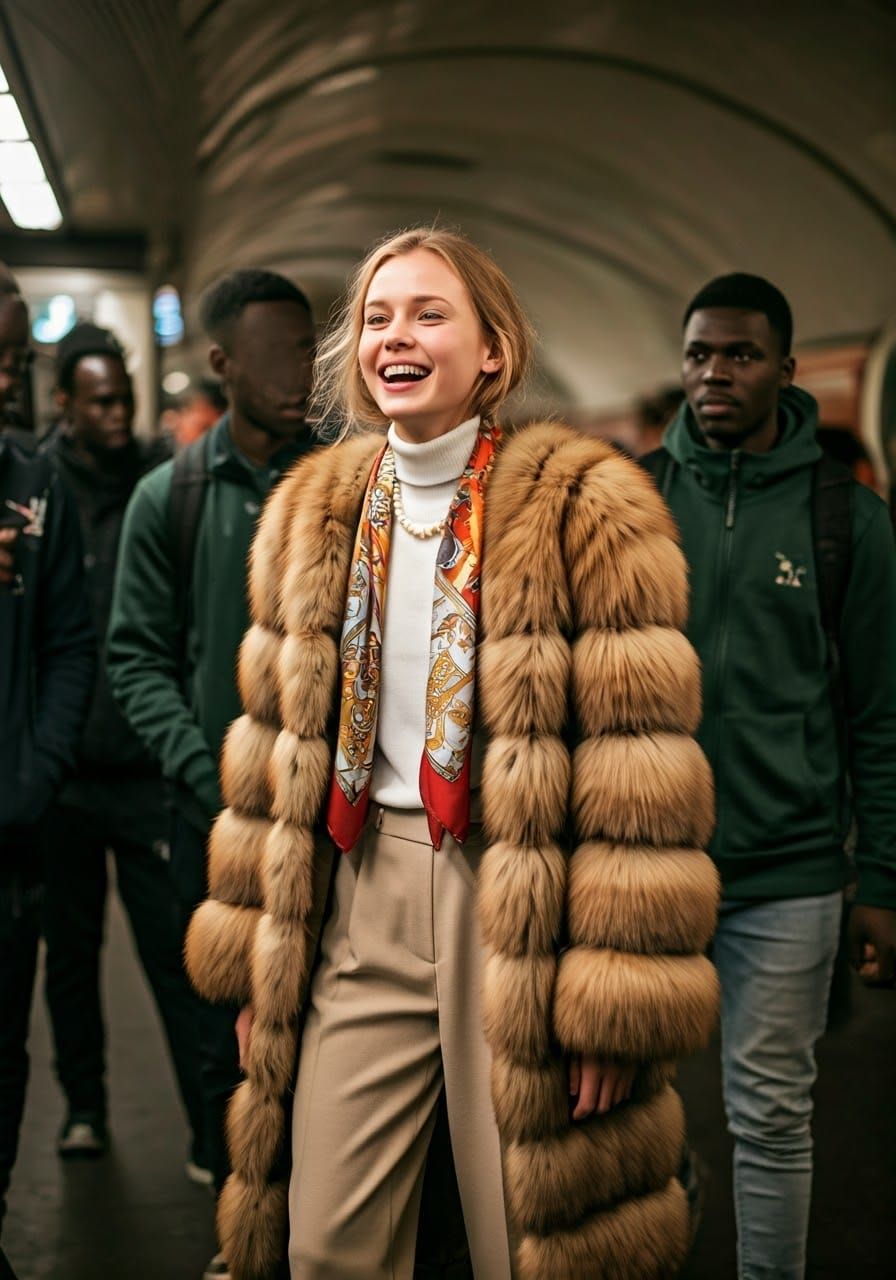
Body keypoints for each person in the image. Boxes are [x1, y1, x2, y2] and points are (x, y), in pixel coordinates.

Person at [185, 227, 720, 1280]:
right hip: (355, 891)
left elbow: (634, 773)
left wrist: (609, 1001)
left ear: (491, 350)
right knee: (326, 1241)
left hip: (513, 899)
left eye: (429, 314)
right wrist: (263, 961)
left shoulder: (583, 504)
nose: (397, 335)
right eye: (377, 317)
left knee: (523, 1238)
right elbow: (267, 766)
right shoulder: (308, 510)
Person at [645, 273, 896, 1280]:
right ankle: (664, 1207)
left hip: (789, 869)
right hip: (648, 865)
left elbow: (880, 716)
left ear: (786, 372)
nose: (714, 373)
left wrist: (877, 877)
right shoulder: (633, 499)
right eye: (699, 353)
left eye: (739, 355)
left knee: (770, 1107)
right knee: (614, 1099)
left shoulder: (847, 521)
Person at [107, 269, 317, 1280]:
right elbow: (134, 653)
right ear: (222, 363)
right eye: (275, 353)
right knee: (220, 1032)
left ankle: (323, 1227)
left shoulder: (353, 482)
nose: (299, 373)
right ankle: (243, 1232)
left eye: (308, 350)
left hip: (334, 822)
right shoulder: (172, 497)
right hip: (216, 819)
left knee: (329, 1032)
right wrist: (203, 769)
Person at [38, 322, 206, 1176]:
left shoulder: (163, 482)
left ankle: (208, 1133)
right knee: (70, 960)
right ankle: (85, 1106)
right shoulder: (37, 485)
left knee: (174, 957)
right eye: (97, 401)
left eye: (123, 400)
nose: (115, 415)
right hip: (63, 776)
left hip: (145, 774)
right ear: (62, 403)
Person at [0, 268, 95, 1234]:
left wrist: (38, 770)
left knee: (2, 1051)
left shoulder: (35, 484)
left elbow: (72, 641)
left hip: (10, 837)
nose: (2, 379)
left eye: (14, 358)